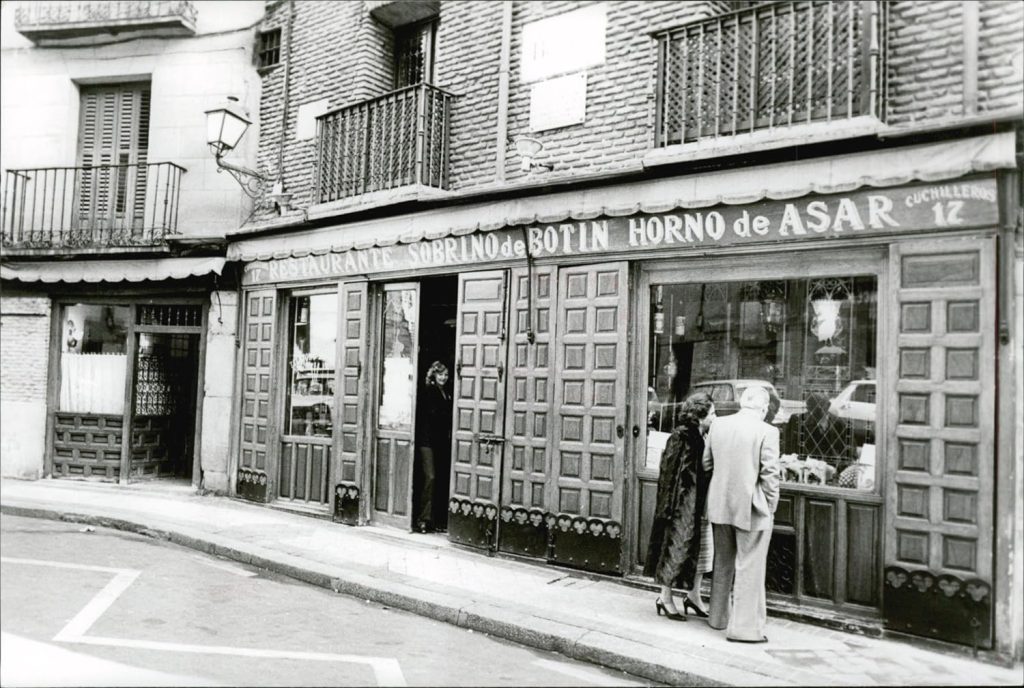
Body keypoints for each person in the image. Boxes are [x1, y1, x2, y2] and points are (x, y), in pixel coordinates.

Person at [702, 385, 780, 643]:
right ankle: (744, 630)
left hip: (720, 504)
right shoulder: (768, 431)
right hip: (752, 507)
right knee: (749, 567)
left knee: (722, 562)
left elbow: (707, 463)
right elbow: (771, 477)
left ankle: (717, 619)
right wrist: (770, 508)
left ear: (742, 403)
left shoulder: (719, 425)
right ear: (764, 407)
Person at [644, 393, 716, 621]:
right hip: (682, 506)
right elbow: (671, 475)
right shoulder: (682, 436)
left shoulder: (698, 435)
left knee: (703, 552)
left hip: (698, 505)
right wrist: (677, 508)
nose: (715, 418)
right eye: (712, 413)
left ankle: (693, 596)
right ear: (700, 416)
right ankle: (665, 598)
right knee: (676, 549)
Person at [415, 361, 452, 533]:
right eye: (440, 374)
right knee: (430, 478)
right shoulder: (429, 391)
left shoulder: (446, 392)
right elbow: (430, 416)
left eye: (445, 374)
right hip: (427, 441)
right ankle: (422, 519)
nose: (443, 377)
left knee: (440, 479)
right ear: (434, 375)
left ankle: (436, 520)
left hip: (440, 442)